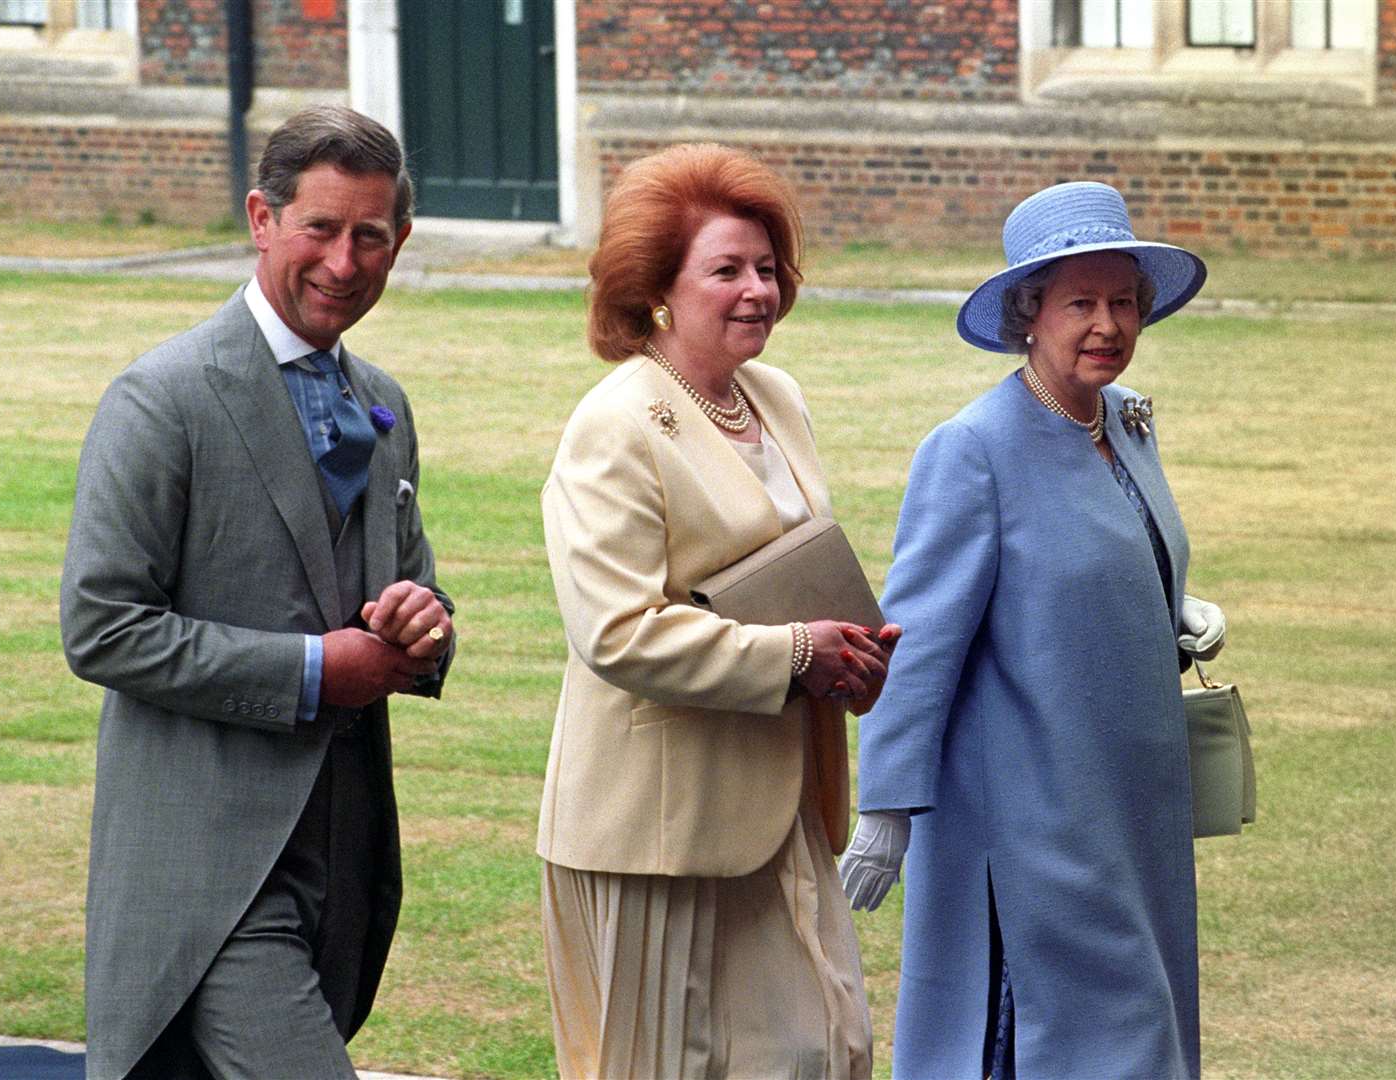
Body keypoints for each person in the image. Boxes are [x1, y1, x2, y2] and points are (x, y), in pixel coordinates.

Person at [61, 105, 455, 1080]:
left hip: (344, 851)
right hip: (210, 876)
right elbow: (102, 628)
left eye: (371, 236)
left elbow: (414, 597)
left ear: (399, 242)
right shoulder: (163, 401)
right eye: (321, 228)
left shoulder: (386, 405)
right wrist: (319, 670)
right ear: (260, 218)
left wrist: (425, 628)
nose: (344, 260)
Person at [839, 181, 1228, 1079]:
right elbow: (921, 643)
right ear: (1028, 314)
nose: (1108, 324)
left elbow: (1097, 560)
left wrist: (1171, 606)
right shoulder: (973, 448)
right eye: (1080, 303)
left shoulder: (1125, 422)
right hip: (1032, 819)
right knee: (1078, 1038)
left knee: (1135, 1021)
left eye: (1123, 301)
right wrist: (887, 807)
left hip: (1130, 803)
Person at [537, 143, 897, 1079]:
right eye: (727, 270)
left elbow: (791, 566)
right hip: (658, 826)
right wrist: (795, 655)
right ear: (659, 288)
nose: (758, 292)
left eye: (768, 268)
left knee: (828, 1048)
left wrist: (850, 651)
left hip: (785, 803)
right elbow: (615, 631)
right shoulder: (614, 423)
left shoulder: (775, 396)